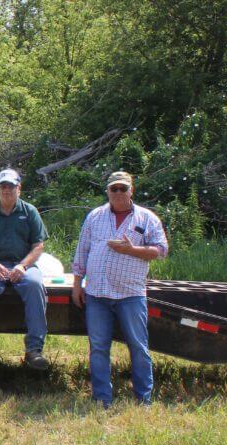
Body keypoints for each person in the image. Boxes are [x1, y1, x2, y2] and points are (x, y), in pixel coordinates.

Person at [72, 171, 168, 407]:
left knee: (138, 346)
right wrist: (77, 284)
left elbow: (161, 250)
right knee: (98, 347)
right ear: (107, 191)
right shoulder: (95, 216)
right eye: (113, 189)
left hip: (130, 294)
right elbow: (82, 250)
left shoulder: (147, 218)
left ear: (131, 190)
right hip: (97, 293)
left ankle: (143, 399)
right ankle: (102, 398)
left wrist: (131, 250)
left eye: (122, 189)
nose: (117, 193)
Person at [0, 169, 50, 369]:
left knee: (35, 284)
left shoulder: (29, 211)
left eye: (11, 186)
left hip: (24, 265)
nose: (7, 190)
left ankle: (34, 350)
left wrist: (23, 266)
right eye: (3, 186)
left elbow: (38, 245)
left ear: (19, 188)